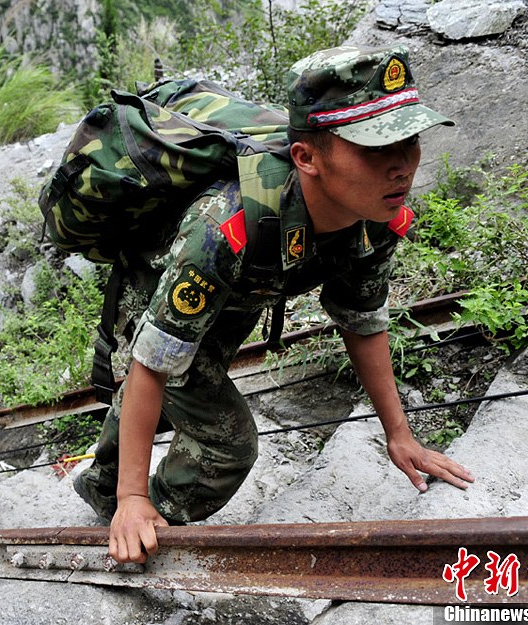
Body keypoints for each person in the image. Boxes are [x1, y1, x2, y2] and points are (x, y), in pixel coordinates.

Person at [73, 44, 476, 564]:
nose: (401, 166)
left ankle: (104, 485)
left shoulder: (379, 218)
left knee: (191, 378)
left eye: (410, 140)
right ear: (307, 157)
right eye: (375, 148)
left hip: (240, 295)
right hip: (159, 298)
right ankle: (145, 519)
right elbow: (153, 362)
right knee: (226, 445)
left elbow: (362, 322)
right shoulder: (226, 228)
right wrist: (135, 498)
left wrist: (400, 435)